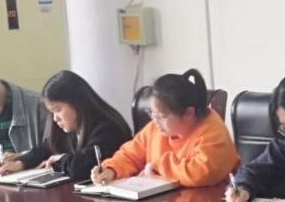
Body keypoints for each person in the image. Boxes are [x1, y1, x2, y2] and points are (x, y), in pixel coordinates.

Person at [92, 69, 238, 187]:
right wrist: (111, 170)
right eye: (152, 114)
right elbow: (130, 155)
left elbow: (203, 172)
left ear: (189, 113)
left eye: (161, 116)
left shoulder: (211, 129)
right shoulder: (155, 129)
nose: (155, 121)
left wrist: (158, 167)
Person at [0, 70, 132, 180]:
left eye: (58, 110)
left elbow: (83, 166)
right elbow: (47, 148)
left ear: (77, 103)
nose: (55, 118)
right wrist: (20, 163)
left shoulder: (109, 128)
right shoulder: (73, 126)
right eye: (52, 112)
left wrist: (60, 160)